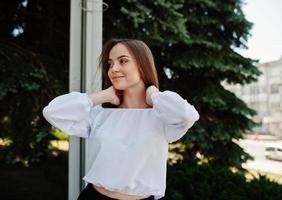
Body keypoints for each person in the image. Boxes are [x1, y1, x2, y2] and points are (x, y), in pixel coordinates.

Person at [43, 38, 199, 200]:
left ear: (142, 65)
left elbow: (188, 116)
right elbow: (52, 112)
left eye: (123, 61)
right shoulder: (101, 115)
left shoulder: (161, 117)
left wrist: (154, 95)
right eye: (110, 63)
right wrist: (104, 95)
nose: (113, 69)